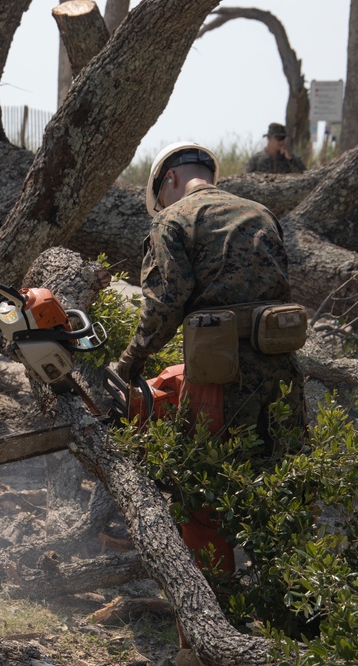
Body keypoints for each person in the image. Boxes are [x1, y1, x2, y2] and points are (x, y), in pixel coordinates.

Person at [116, 141, 306, 666]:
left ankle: (203, 643)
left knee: (203, 497)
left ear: (170, 181)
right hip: (282, 373)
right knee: (283, 493)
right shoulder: (261, 212)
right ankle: (297, 631)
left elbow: (163, 306)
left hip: (218, 379)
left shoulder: (173, 221)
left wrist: (128, 363)